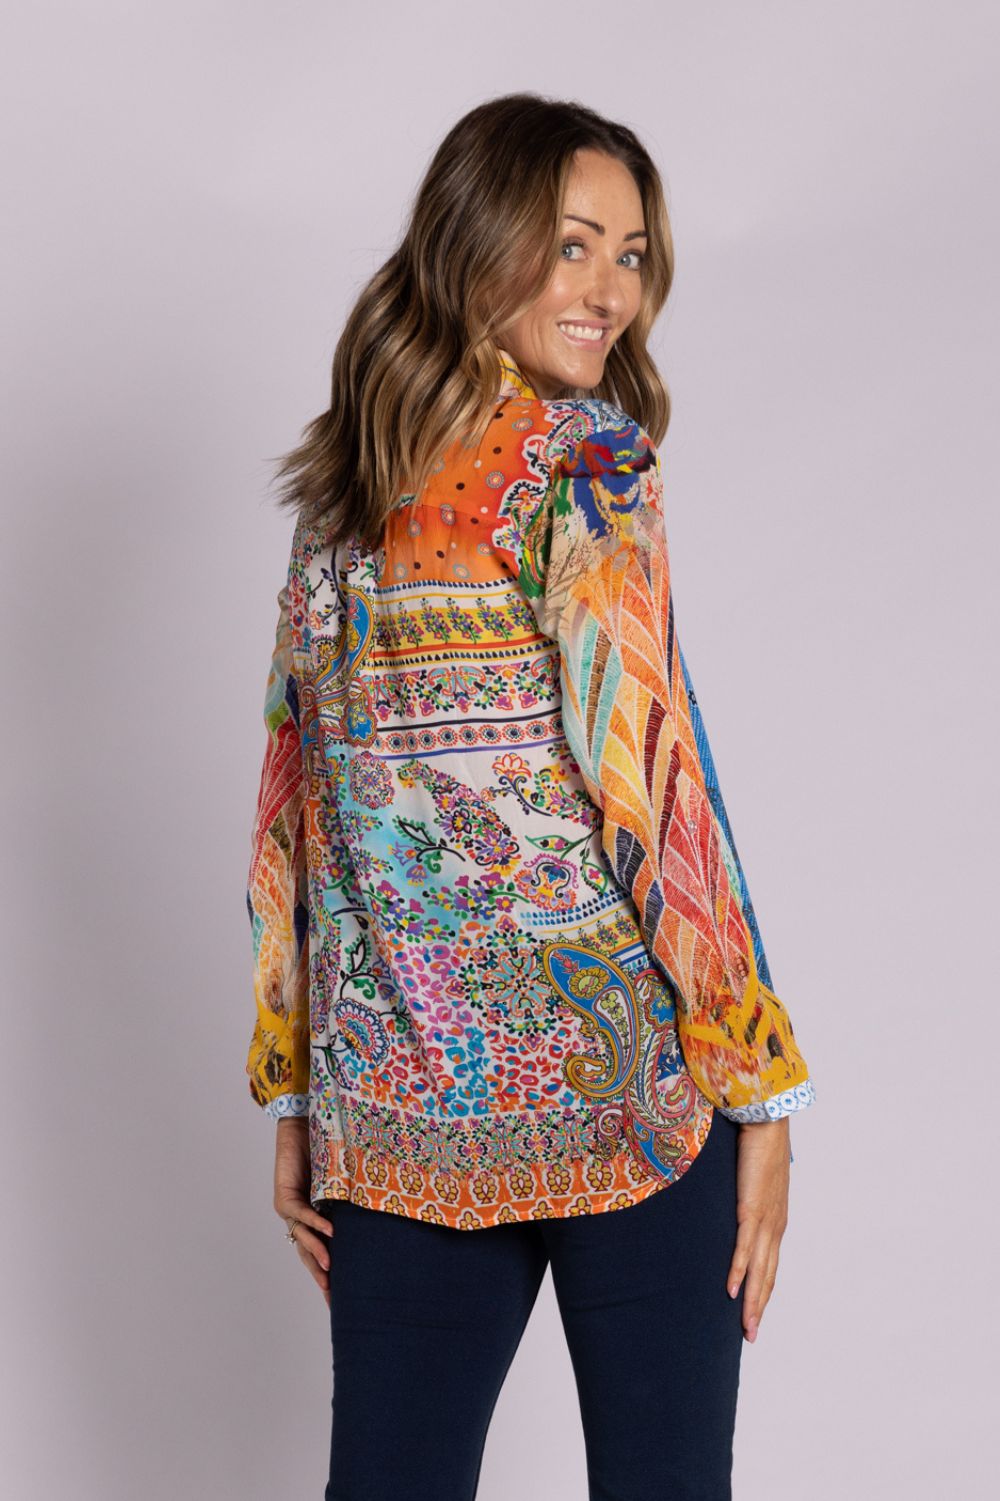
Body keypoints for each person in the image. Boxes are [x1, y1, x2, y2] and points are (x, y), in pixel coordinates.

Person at [245, 92, 815, 1501]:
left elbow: (292, 826)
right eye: (572, 244)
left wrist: (298, 1083)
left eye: (632, 253)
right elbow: (657, 786)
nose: (611, 289)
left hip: (406, 1105)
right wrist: (762, 1085)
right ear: (476, 240)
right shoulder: (582, 465)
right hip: (621, 1096)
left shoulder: (343, 499)